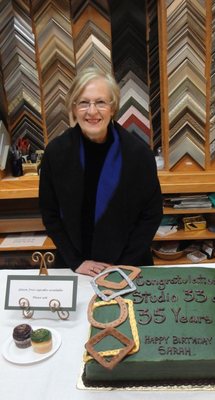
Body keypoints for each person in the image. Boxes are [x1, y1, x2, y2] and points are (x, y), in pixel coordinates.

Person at [39, 67, 163, 276]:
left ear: (113, 107)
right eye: (84, 102)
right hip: (75, 266)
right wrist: (76, 262)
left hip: (128, 266)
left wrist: (123, 265)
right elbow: (50, 213)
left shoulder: (138, 154)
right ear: (73, 107)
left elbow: (151, 215)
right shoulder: (56, 153)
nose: (92, 111)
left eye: (101, 102)